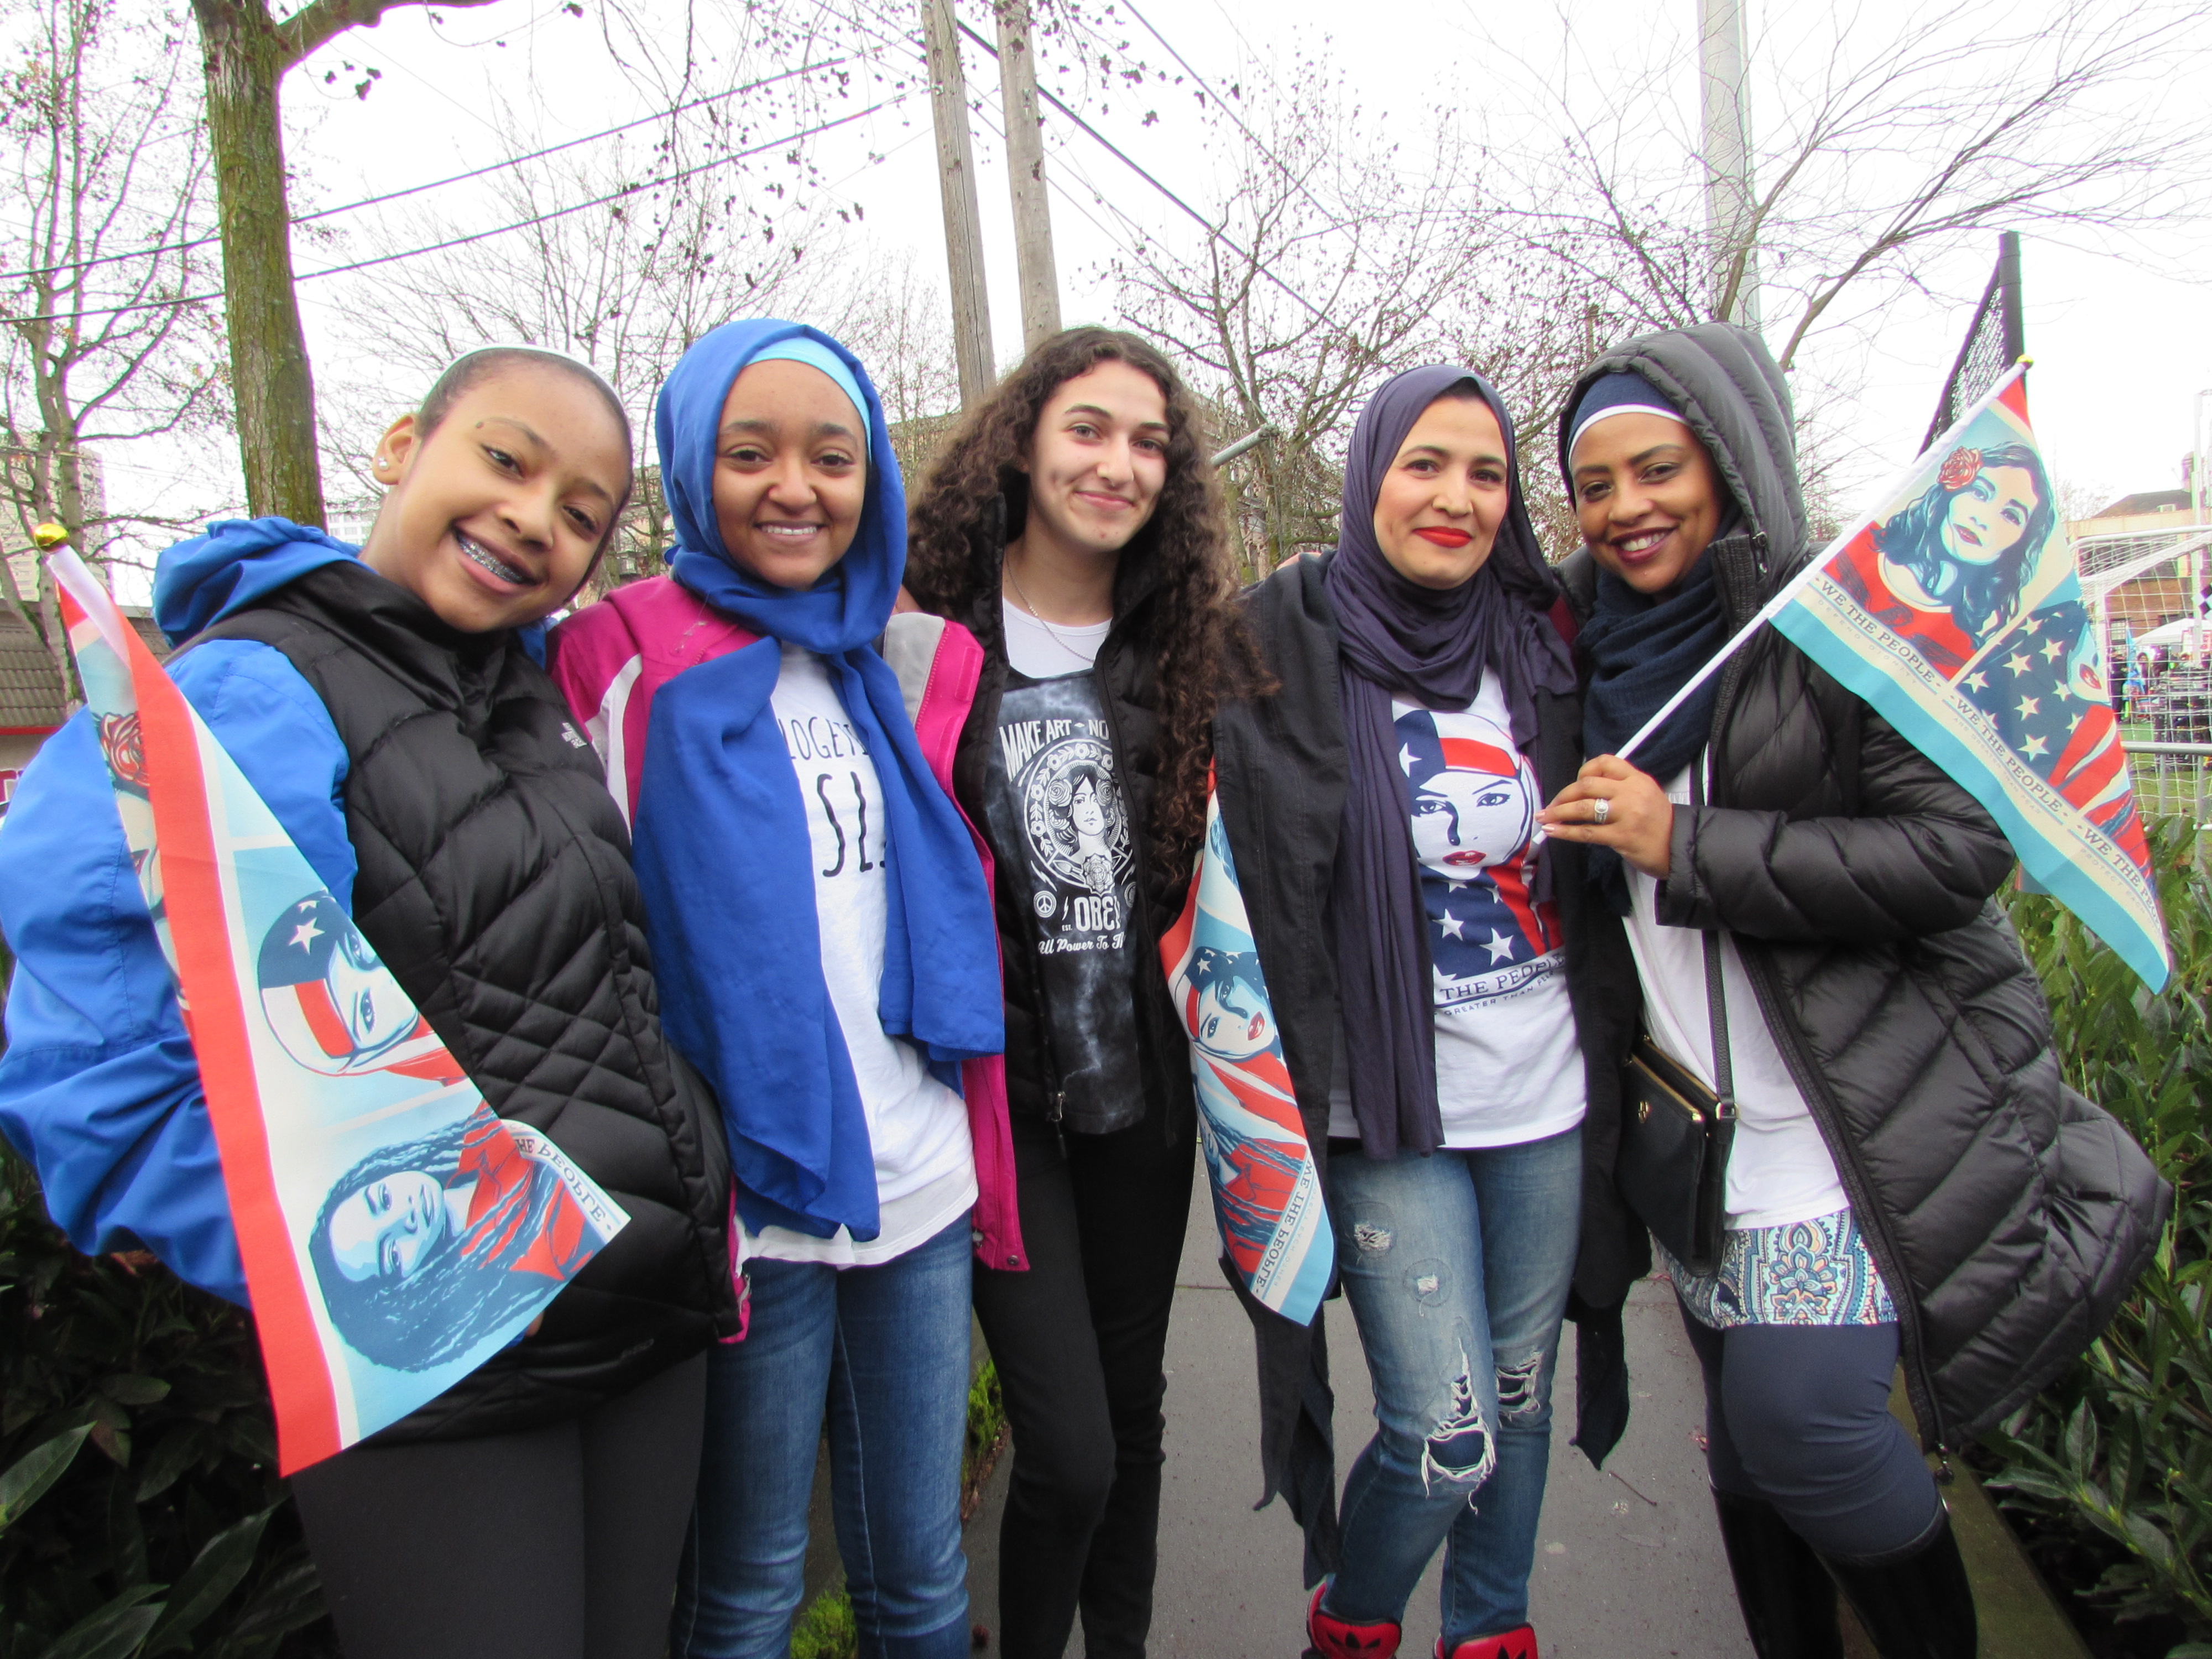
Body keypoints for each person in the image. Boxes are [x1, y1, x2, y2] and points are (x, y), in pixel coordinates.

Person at [0, 346, 742, 1659]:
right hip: (447, 1369)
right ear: (403, 444)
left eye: (581, 514)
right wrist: (360, 1268)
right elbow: (102, 1064)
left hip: (639, 1316)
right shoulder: (254, 687)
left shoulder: (523, 699)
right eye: (507, 461)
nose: (535, 519)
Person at [1537, 321, 2166, 1659]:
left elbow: (1954, 851)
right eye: (1594, 487)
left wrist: (1681, 843)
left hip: (1844, 1124)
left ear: (1732, 461)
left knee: (1806, 1431)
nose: (1626, 511)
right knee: (1745, 1462)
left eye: (1658, 471)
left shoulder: (1840, 633)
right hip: (1696, 1144)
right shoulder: (1580, 660)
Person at [547, 320, 1008, 1659]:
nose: (794, 486)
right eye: (749, 454)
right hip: (747, 1204)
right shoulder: (613, 652)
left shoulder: (888, 656)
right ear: (693, 466)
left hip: (918, 1183)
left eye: (832, 455)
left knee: (918, 1576)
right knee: (747, 1585)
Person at [1206, 364, 1598, 1659]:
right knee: (1447, 1428)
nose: (1456, 496)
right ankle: (1354, 1623)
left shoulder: (1542, 643)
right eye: (1423, 464)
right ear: (1370, 469)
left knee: (1524, 1396)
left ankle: (1490, 1630)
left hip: (1542, 1091)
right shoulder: (1281, 643)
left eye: (1485, 472)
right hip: (1382, 1104)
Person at [901, 326, 1262, 1659]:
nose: (1119, 464)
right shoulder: (917, 633)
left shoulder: (1193, 648)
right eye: (1089, 431)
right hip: (995, 1102)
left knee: (1135, 1410)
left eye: (1150, 442)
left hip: (1143, 1097)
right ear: (1024, 441)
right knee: (1066, 1452)